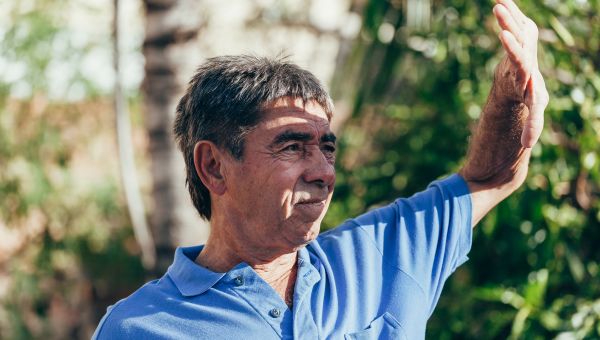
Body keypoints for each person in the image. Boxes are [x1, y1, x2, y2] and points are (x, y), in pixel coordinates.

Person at [93, 0, 548, 338]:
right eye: (292, 147)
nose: (322, 172)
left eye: (327, 148)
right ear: (214, 167)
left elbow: (490, 177)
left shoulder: (379, 256)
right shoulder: (139, 327)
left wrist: (510, 93)